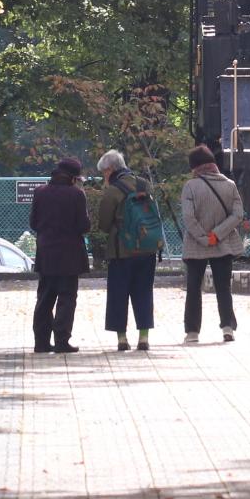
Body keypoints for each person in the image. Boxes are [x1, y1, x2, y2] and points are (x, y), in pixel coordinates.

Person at [179, 145, 246, 344]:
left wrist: (203, 237)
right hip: (223, 243)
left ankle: (192, 332)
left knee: (193, 288)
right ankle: (227, 328)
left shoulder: (190, 186)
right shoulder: (230, 185)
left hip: (195, 244)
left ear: (195, 167)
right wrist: (217, 235)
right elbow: (238, 215)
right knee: (223, 288)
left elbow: (188, 217)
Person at [94, 149, 158, 352]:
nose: (104, 176)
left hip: (121, 251)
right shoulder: (144, 184)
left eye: (103, 172)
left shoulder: (113, 190)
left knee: (118, 294)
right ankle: (144, 337)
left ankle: (122, 339)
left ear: (110, 169)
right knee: (144, 292)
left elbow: (104, 223)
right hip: (147, 249)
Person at [28, 158, 90, 354]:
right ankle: (62, 340)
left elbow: (33, 223)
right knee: (67, 298)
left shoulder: (40, 192)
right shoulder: (76, 195)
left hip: (46, 253)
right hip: (70, 255)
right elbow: (83, 226)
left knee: (45, 298)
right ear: (73, 178)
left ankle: (41, 342)